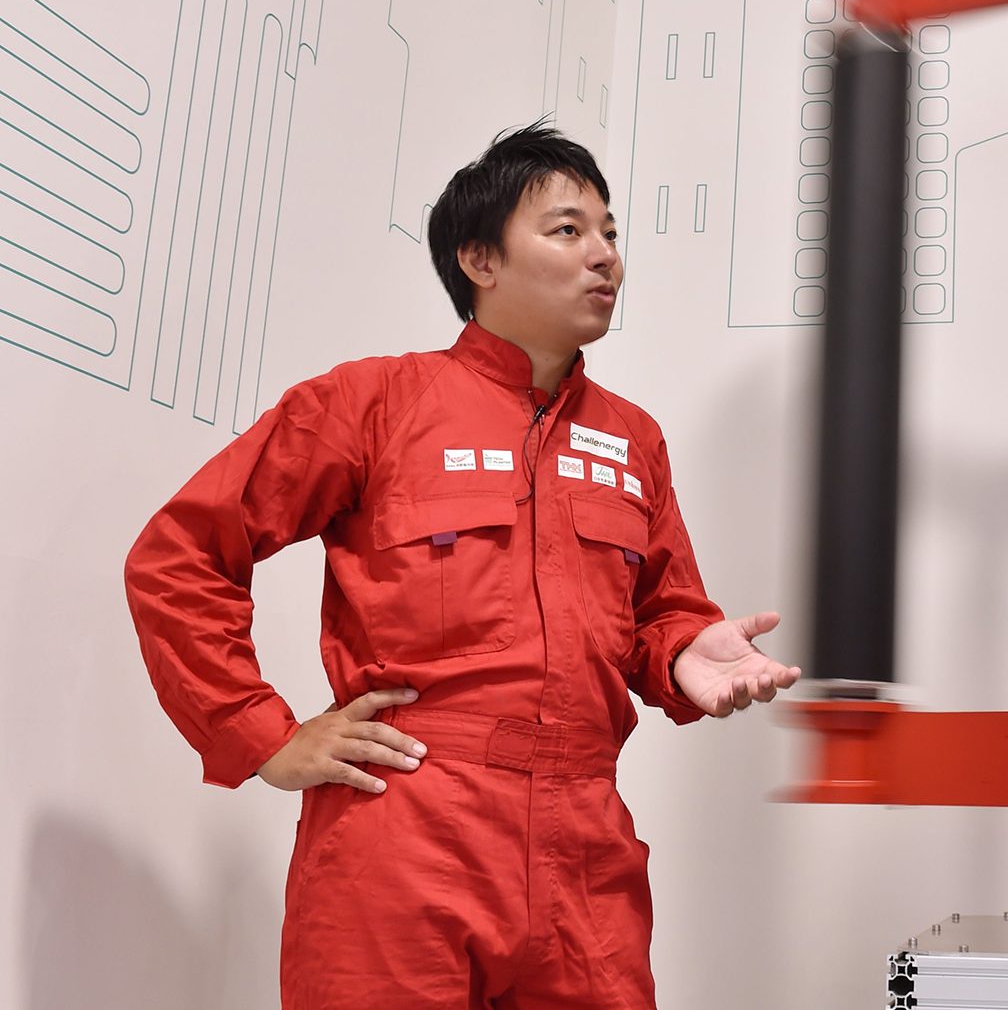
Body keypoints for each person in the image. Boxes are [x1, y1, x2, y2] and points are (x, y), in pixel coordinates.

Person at [125, 122, 800, 1008]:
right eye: (567, 230)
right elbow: (180, 554)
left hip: (585, 847)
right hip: (405, 830)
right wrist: (263, 736)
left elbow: (656, 613)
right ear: (479, 259)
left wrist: (680, 654)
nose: (604, 256)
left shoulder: (632, 440)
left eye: (610, 231)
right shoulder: (373, 402)